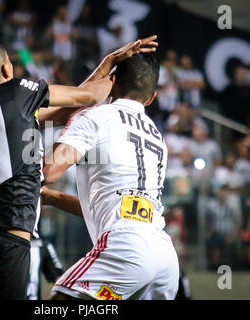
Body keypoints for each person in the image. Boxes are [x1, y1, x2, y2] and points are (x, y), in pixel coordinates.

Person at [0, 36, 158, 300]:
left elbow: (65, 112)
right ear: (6, 69)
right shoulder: (16, 92)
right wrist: (116, 71)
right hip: (6, 243)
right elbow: (89, 96)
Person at [42, 51, 179, 300]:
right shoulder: (158, 138)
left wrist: (70, 120)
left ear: (112, 82)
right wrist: (52, 198)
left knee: (58, 301)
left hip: (125, 248)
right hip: (165, 257)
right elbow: (112, 205)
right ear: (151, 98)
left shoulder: (96, 117)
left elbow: (49, 171)